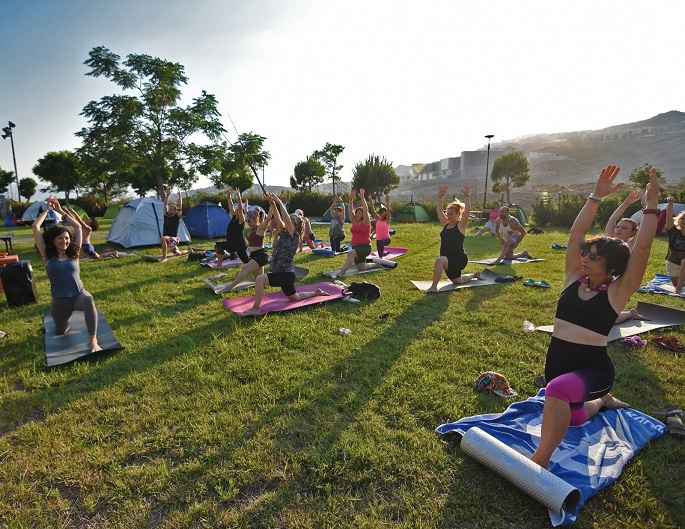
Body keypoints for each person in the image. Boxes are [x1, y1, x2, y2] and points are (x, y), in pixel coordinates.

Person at [530, 165, 660, 470]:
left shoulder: (617, 292)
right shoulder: (574, 277)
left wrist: (650, 207)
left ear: (611, 266)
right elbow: (577, 233)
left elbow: (642, 246)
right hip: (558, 365)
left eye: (593, 256)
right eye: (585, 254)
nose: (584, 258)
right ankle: (602, 401)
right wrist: (596, 196)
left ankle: (540, 460)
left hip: (593, 369)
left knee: (558, 391)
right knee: (573, 416)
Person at [33, 197, 102, 353]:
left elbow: (77, 227)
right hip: (60, 301)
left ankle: (93, 341)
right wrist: (47, 211)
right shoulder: (47, 257)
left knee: (89, 299)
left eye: (66, 238)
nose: (64, 241)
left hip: (79, 296)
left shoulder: (74, 254)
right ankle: (66, 320)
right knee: (61, 331)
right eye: (60, 238)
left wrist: (60, 211)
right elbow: (36, 227)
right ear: (52, 241)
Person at [242, 193, 330, 315]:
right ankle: (316, 292)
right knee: (295, 297)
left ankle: (256, 308)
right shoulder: (283, 234)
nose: (289, 221)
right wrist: (272, 203)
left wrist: (278, 201)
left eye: (293, 221)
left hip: (285, 274)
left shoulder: (295, 237)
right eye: (291, 219)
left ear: (297, 226)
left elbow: (286, 220)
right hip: (284, 273)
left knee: (260, 279)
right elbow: (279, 219)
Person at [328, 189, 396, 279]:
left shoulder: (366, 222)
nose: (356, 214)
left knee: (350, 254)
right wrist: (350, 198)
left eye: (359, 213)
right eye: (356, 213)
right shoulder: (354, 221)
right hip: (356, 247)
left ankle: (342, 273)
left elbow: (365, 210)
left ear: (363, 215)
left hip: (365, 247)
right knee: (361, 268)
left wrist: (363, 198)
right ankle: (376, 265)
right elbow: (349, 211)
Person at [426, 184, 482, 292]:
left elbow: (467, 212)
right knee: (458, 281)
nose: (449, 216)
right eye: (448, 214)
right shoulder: (446, 224)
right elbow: (439, 212)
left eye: (451, 214)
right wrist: (440, 197)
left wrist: (467, 196)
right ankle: (474, 275)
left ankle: (433, 287)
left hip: (458, 259)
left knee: (439, 261)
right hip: (448, 258)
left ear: (458, 214)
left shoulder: (461, 226)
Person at [216, 207, 272, 293]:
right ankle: (279, 281)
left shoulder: (260, 228)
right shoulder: (251, 228)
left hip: (261, 255)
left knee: (245, 269)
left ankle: (229, 288)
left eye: (249, 221)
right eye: (247, 221)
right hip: (254, 255)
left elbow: (268, 218)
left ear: (255, 219)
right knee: (260, 280)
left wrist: (272, 205)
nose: (247, 223)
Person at [215, 187, 250, 267]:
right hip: (231, 242)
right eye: (236, 209)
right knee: (219, 246)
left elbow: (241, 209)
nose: (236, 210)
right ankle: (219, 264)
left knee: (246, 261)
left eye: (237, 210)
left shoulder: (241, 220)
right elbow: (231, 207)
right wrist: (228, 196)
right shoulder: (234, 217)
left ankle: (256, 262)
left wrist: (239, 197)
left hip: (239, 244)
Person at [160, 187, 189, 262]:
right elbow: (165, 205)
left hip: (174, 239)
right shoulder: (166, 216)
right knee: (178, 254)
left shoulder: (177, 217)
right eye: (169, 209)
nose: (169, 210)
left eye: (171, 209)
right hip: (169, 240)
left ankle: (164, 257)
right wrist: (167, 195)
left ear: (175, 211)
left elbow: (180, 206)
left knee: (163, 238)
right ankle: (189, 250)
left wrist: (180, 196)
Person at [664, 196, 685, 294]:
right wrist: (670, 203)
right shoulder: (674, 232)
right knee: (675, 284)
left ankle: (679, 288)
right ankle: (679, 285)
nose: (684, 220)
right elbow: (668, 217)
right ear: (678, 220)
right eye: (682, 218)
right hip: (673, 262)